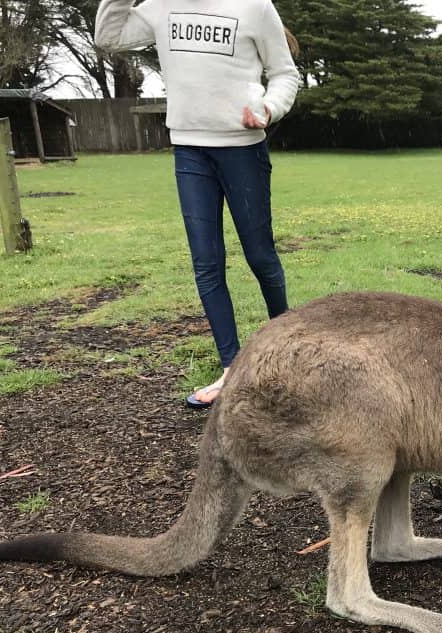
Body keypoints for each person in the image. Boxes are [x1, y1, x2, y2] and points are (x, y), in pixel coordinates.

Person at [95, 0, 301, 409]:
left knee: (260, 257)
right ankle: (231, 369)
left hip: (242, 150)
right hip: (189, 150)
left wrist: (269, 108)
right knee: (206, 263)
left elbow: (285, 74)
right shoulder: (160, 7)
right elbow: (109, 37)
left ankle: (291, 358)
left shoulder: (255, 8)